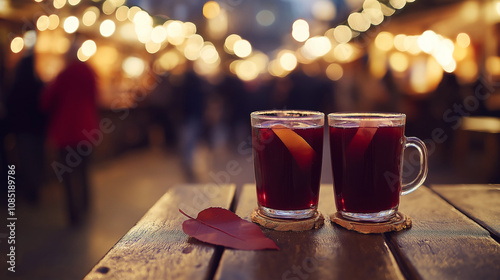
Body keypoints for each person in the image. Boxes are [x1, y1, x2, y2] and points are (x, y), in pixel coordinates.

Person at [41, 36, 99, 225]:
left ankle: (73, 215)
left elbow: (46, 101)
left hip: (66, 131)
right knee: (83, 170)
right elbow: (96, 97)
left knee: (67, 174)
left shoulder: (63, 74)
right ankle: (86, 206)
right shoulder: (90, 72)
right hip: (86, 129)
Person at [5, 49, 46, 204]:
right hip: (37, 130)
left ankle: (31, 192)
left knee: (26, 161)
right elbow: (45, 106)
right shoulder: (38, 84)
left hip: (23, 131)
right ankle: (35, 191)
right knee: (37, 160)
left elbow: (10, 107)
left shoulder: (16, 85)